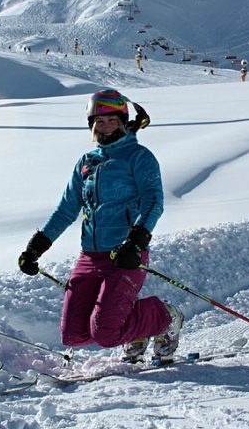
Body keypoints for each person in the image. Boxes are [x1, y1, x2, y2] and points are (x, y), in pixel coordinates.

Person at [17, 89, 183, 363]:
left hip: (124, 255)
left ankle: (165, 317)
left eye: (112, 121)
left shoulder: (138, 157)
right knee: (73, 334)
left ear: (123, 121)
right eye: (99, 122)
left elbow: (153, 201)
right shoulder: (87, 162)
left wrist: (136, 241)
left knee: (105, 333)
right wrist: (36, 247)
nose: (105, 127)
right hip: (89, 257)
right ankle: (137, 329)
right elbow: (66, 209)